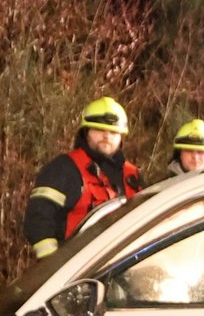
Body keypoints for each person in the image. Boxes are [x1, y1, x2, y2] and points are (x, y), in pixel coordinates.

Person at [23, 96, 144, 258]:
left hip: (123, 265)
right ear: (86, 132)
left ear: (121, 137)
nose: (107, 137)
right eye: (99, 130)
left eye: (113, 132)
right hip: (76, 266)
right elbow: (38, 220)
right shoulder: (64, 168)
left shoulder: (133, 176)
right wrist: (54, 262)